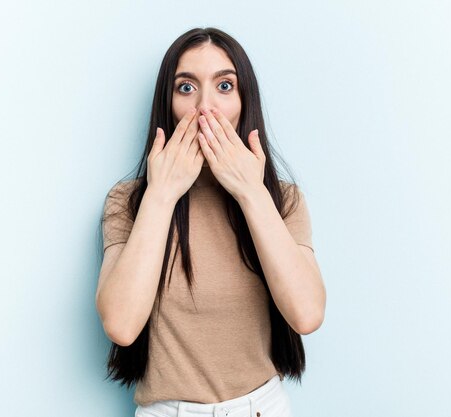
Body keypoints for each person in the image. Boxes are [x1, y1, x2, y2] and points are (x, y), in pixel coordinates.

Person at [95, 27, 326, 417]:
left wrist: (251, 193)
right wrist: (162, 194)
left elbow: (307, 315)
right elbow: (121, 324)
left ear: (243, 99)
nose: (206, 107)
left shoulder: (282, 200)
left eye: (224, 85)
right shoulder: (129, 202)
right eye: (186, 88)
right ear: (166, 104)